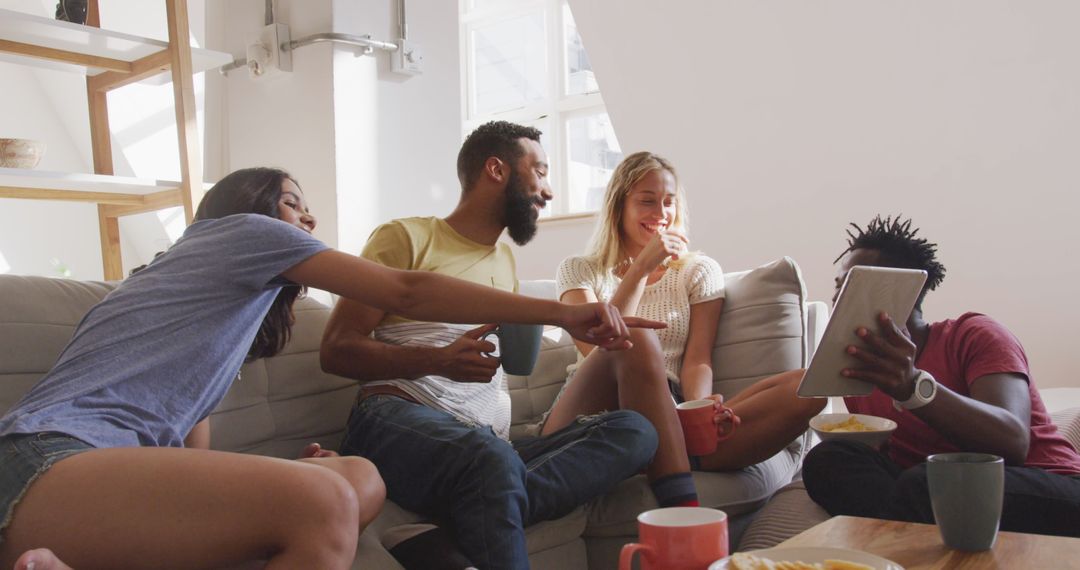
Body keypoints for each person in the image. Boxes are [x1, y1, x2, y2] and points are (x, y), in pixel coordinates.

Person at [0, 167, 656, 569]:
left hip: (106, 486)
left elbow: (190, 449)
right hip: (46, 465)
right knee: (326, 500)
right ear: (248, 206)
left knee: (357, 476)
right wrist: (563, 313)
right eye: (293, 202)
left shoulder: (201, 307)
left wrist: (275, 480)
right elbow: (404, 290)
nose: (308, 218)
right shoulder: (241, 232)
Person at [320, 122, 661, 570]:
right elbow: (337, 349)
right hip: (395, 419)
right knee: (491, 460)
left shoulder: (504, 261)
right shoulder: (405, 237)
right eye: (540, 171)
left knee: (635, 431)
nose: (548, 191)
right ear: (496, 170)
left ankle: (458, 520)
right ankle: (485, 499)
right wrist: (437, 360)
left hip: (482, 444)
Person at [541, 151, 826, 508]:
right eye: (647, 201)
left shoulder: (698, 271)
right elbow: (601, 346)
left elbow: (697, 359)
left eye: (669, 202)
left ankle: (661, 453)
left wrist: (700, 407)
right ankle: (680, 500)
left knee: (808, 387)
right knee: (634, 340)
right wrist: (642, 269)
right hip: (593, 405)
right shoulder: (578, 270)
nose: (661, 213)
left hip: (670, 408)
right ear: (619, 206)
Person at [802, 215, 1080, 537]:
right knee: (828, 459)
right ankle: (906, 544)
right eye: (838, 287)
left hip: (1049, 485)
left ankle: (905, 538)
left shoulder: (974, 335)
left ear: (897, 290)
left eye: (850, 285)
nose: (836, 298)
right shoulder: (862, 372)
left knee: (933, 481)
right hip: (931, 494)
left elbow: (1013, 442)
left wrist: (913, 387)